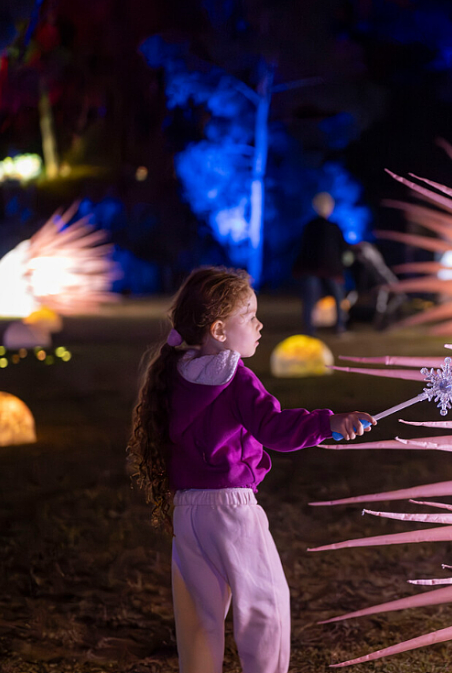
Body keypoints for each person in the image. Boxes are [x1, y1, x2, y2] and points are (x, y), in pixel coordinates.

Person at [126, 266, 374, 673]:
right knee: (266, 607)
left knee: (198, 620)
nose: (260, 325)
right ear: (220, 330)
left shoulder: (174, 374)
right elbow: (274, 428)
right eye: (251, 316)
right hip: (232, 511)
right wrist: (328, 424)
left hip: (188, 515)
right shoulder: (233, 376)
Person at [292, 192, 349, 335]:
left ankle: (329, 327)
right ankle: (334, 327)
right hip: (325, 270)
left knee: (319, 298)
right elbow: (344, 250)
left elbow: (302, 249)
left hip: (319, 269)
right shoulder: (328, 227)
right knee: (331, 297)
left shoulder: (313, 227)